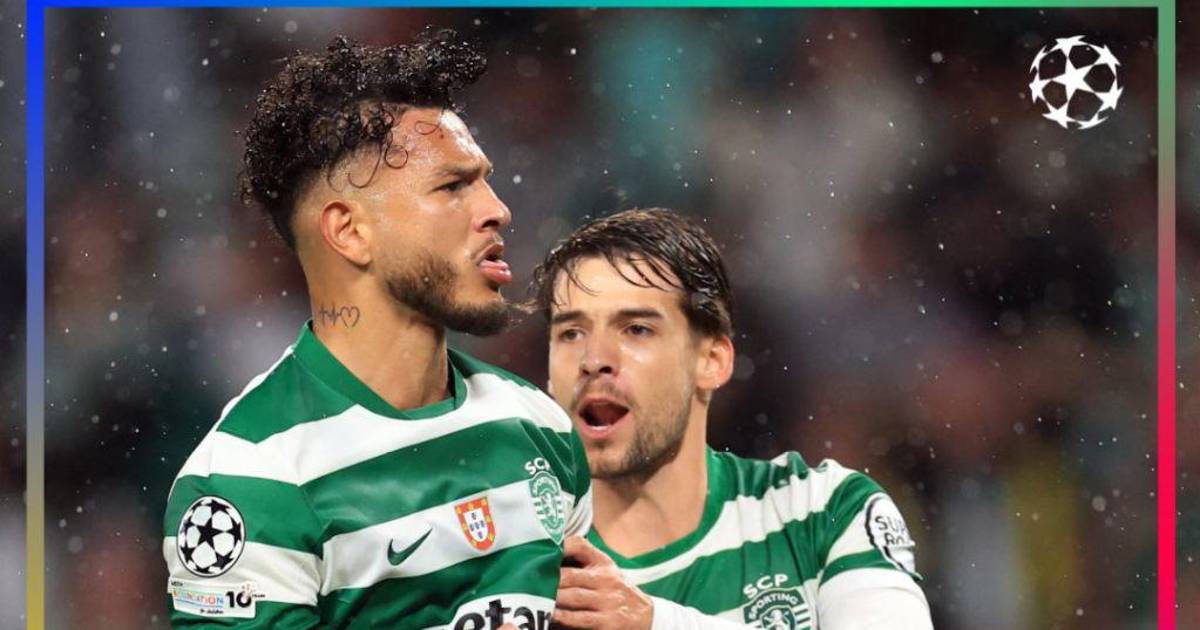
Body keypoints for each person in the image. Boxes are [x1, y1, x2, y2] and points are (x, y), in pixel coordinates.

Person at [162, 31, 590, 629]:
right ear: (349, 231)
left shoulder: (540, 427)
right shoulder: (252, 480)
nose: (496, 209)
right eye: (453, 186)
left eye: (484, 180)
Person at [532, 208, 932, 629]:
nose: (594, 359)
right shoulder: (511, 552)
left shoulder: (824, 512)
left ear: (712, 361)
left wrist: (655, 623)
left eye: (636, 329)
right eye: (571, 333)